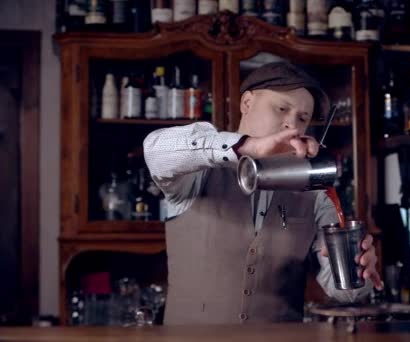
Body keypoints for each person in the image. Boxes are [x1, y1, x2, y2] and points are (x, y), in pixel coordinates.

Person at [143, 62, 382, 325]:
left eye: (302, 119)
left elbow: (344, 292)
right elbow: (156, 149)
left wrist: (359, 268)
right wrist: (251, 146)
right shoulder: (197, 173)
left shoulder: (315, 193)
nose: (291, 123)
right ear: (246, 103)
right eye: (281, 108)